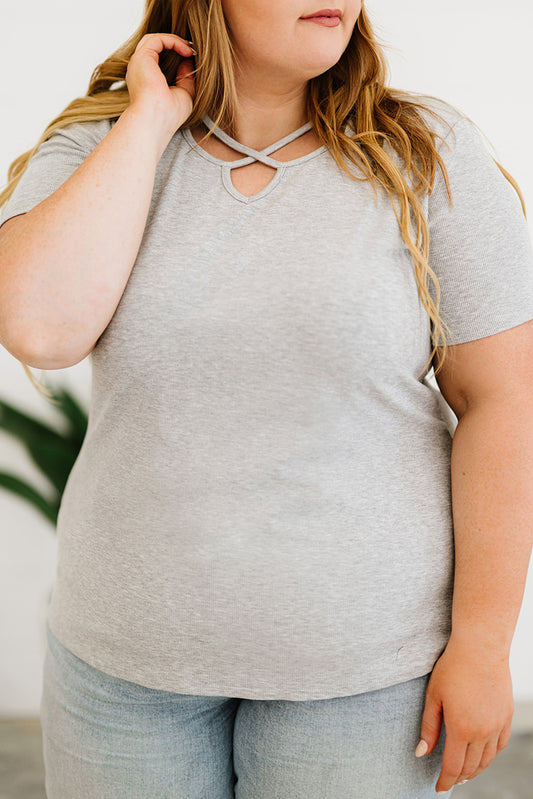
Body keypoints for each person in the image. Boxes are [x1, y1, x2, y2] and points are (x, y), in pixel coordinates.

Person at [0, 1, 532, 797]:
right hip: (124, 670)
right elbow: (40, 329)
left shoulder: (424, 152)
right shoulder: (97, 145)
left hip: (361, 674)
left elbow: (503, 402)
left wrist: (484, 645)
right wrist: (150, 121)